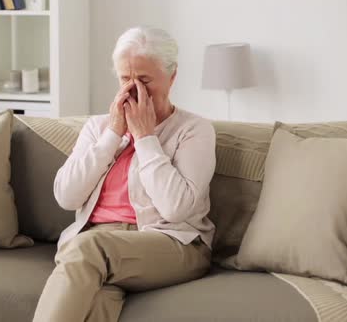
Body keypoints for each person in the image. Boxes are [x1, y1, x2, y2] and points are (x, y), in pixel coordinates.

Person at [32, 26, 217, 322]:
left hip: (173, 244)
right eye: (125, 79)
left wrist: (145, 138)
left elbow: (176, 208)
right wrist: (112, 135)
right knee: (97, 300)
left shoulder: (193, 130)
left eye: (144, 80)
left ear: (172, 77)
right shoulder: (97, 127)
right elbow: (66, 196)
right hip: (100, 248)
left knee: (87, 249)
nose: (132, 90)